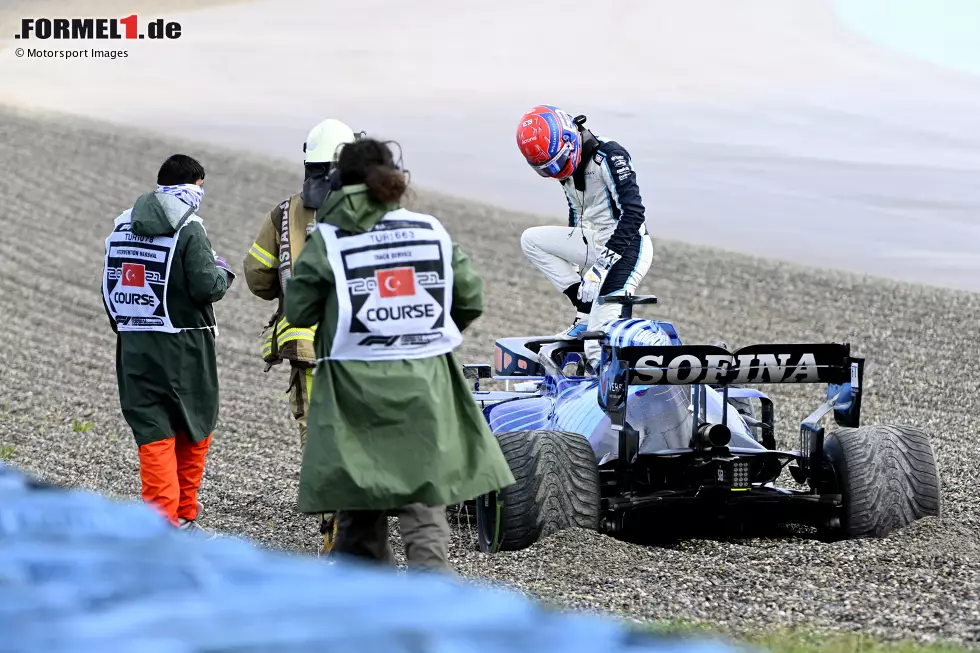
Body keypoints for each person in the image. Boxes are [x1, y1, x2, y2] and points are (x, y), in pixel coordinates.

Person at [283, 137, 515, 572]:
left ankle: (371, 617)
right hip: (425, 385)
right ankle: (431, 618)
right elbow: (470, 297)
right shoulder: (429, 230)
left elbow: (298, 309)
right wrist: (419, 332)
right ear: (393, 178)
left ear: (340, 182)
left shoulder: (328, 241)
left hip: (353, 394)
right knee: (424, 510)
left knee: (359, 510)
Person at [242, 118, 359, 554]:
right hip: (357, 346)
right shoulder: (369, 210)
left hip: (304, 345)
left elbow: (256, 276)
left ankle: (334, 535)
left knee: (319, 437)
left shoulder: (284, 211)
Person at [101, 154, 234, 534]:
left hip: (134, 346)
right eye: (201, 185)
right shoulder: (190, 230)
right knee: (195, 424)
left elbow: (110, 286)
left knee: (153, 431)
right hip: (185, 347)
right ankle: (185, 516)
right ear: (193, 185)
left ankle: (160, 521)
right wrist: (222, 270)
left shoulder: (121, 224)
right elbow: (207, 286)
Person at [516, 105, 653, 373]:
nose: (557, 171)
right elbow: (577, 214)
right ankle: (585, 309)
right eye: (547, 168)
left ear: (570, 137)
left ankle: (611, 400)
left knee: (594, 346)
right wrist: (580, 271)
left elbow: (634, 214)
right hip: (596, 241)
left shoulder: (611, 156)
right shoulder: (565, 167)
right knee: (530, 239)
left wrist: (599, 268)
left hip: (629, 248)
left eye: (557, 162)